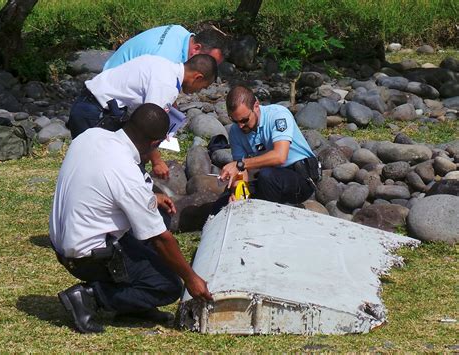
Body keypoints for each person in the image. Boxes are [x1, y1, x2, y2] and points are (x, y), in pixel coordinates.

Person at [50, 103, 212, 334]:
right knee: (166, 285)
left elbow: (103, 185)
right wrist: (191, 278)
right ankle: (89, 296)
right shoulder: (126, 172)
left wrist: (152, 198)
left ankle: (133, 304)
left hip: (64, 240)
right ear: (155, 143)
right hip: (87, 256)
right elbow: (161, 240)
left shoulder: (91, 135)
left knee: (159, 218)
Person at [67, 54, 217, 178]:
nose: (198, 92)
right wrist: (157, 161)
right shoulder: (167, 85)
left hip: (87, 103)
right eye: (202, 87)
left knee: (88, 166)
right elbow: (148, 127)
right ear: (198, 77)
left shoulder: (163, 63)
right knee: (97, 171)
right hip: (96, 113)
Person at [215, 85, 319, 210]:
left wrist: (240, 164)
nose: (240, 126)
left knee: (267, 176)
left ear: (256, 106)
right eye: (235, 121)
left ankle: (273, 217)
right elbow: (241, 172)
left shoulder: (278, 115)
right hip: (270, 178)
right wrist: (238, 193)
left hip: (300, 179)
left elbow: (280, 156)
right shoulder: (235, 131)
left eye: (244, 120)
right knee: (223, 202)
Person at [103, 25, 227, 70]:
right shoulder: (167, 60)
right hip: (109, 96)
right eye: (211, 63)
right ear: (196, 49)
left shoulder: (180, 31)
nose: (211, 70)